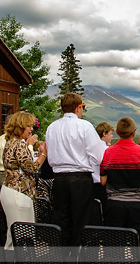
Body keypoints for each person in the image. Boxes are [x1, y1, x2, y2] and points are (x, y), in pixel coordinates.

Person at [45, 93, 106, 248]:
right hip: (80, 179)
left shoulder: (52, 127)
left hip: (59, 179)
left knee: (61, 221)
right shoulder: (84, 126)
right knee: (82, 221)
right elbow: (98, 156)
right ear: (79, 107)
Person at [0, 111, 47, 264]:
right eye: (29, 126)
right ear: (20, 126)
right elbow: (31, 168)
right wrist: (43, 154)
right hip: (20, 193)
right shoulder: (18, 144)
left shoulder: (10, 142)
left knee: (13, 236)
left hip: (9, 190)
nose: (31, 129)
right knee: (23, 237)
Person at [100, 117, 140, 246]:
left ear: (117, 132)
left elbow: (103, 181)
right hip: (138, 206)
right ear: (134, 133)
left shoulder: (108, 153)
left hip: (114, 206)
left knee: (114, 248)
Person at [93, 121, 114, 209]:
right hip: (101, 184)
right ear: (104, 134)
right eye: (110, 133)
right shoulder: (106, 149)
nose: (112, 136)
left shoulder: (92, 147)